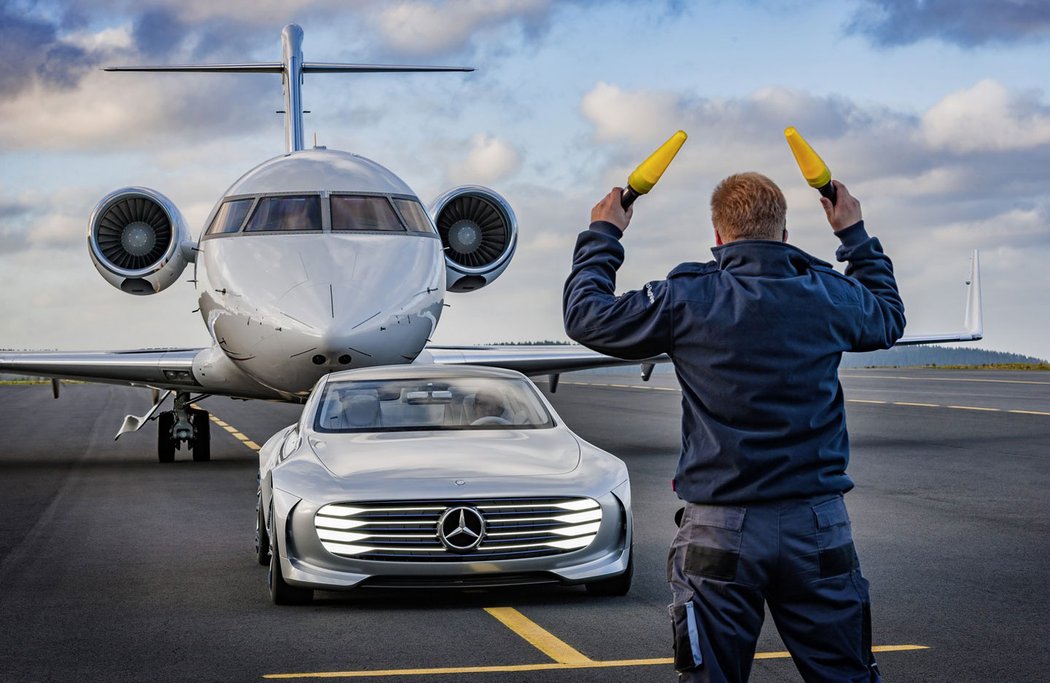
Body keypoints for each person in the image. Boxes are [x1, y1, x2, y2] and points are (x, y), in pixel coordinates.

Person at [563, 172, 904, 682]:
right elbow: (888, 318)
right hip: (818, 525)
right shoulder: (830, 294)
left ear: (719, 237)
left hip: (720, 532)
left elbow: (587, 316)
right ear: (785, 235)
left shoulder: (685, 297)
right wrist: (852, 233)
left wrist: (603, 235)